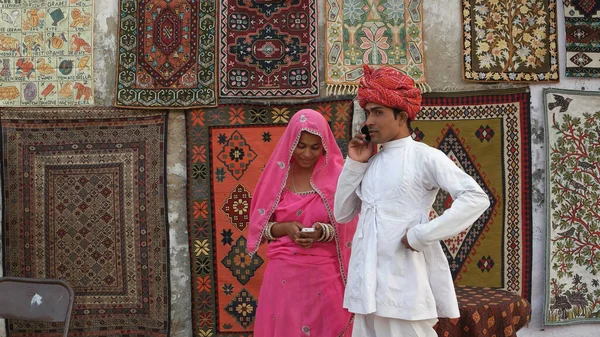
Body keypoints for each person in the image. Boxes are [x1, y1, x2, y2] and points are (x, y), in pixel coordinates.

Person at [334, 65, 491, 337]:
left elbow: (476, 198)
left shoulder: (424, 156)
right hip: (365, 285)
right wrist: (354, 164)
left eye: (378, 112)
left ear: (402, 116)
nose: (369, 120)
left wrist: (422, 235)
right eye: (368, 112)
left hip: (404, 286)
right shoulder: (370, 160)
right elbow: (342, 213)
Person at [247, 109, 357, 337]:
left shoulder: (338, 177)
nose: (307, 153)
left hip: (326, 274)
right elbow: (260, 228)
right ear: (291, 142)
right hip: (283, 274)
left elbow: (351, 226)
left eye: (315, 147)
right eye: (301, 145)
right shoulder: (277, 177)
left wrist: (321, 232)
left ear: (324, 145)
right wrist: (285, 228)